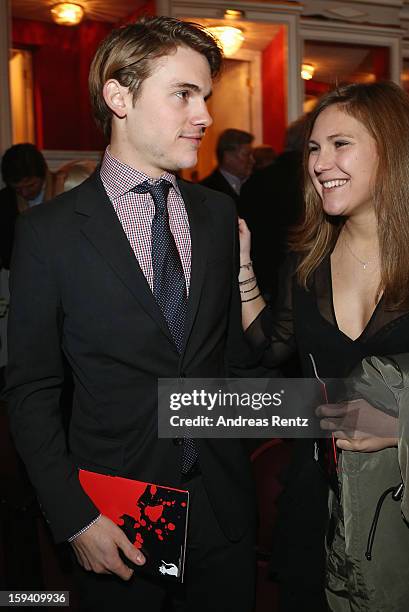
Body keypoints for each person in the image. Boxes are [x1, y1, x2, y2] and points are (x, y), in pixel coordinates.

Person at [5, 17, 256, 612]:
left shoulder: (218, 216)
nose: (204, 117)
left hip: (222, 506)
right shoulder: (49, 234)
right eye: (183, 94)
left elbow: (232, 360)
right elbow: (32, 390)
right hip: (118, 518)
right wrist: (73, 517)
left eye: (205, 97)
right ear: (119, 96)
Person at [238, 81, 409, 611]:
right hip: (319, 500)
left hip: (398, 513)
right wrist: (242, 268)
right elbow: (272, 348)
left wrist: (400, 430)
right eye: (313, 147)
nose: (319, 162)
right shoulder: (308, 261)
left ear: (392, 148)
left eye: (341, 144)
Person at [0, 143, 53, 271]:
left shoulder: (65, 191)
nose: (24, 193)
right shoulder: (4, 201)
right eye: (17, 188)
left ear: (44, 174)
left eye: (30, 185)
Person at [200, 128, 254, 205]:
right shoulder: (206, 190)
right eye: (246, 155)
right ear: (228, 157)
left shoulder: (258, 183)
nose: (252, 160)